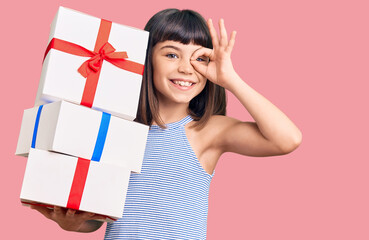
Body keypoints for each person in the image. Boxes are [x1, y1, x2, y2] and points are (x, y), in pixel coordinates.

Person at [31, 8, 302, 239]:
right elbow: (98, 215)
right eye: (172, 55)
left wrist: (230, 79)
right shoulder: (113, 130)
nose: (186, 68)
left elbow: (287, 139)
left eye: (201, 58)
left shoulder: (206, 131)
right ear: (147, 59)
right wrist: (74, 223)